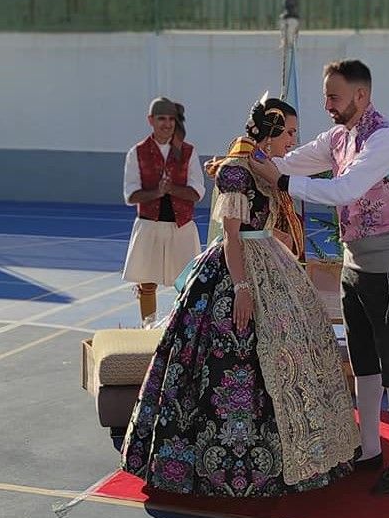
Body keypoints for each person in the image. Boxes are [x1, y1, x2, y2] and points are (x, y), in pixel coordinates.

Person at [120, 96, 359, 497]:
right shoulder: (235, 171)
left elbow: (260, 224)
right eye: (289, 133)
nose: (292, 141)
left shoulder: (267, 168)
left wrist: (277, 239)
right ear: (269, 130)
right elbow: (232, 237)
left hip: (269, 259)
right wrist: (243, 290)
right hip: (236, 269)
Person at [249, 59, 389, 494]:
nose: (327, 104)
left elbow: (343, 191)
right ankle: (369, 446)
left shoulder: (385, 140)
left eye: (334, 97)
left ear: (361, 96)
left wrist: (283, 182)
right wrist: (247, 156)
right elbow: (293, 161)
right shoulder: (340, 136)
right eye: (327, 95)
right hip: (354, 260)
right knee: (362, 357)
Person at [122, 97, 205, 324]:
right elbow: (130, 195)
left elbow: (198, 191)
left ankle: (183, 332)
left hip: (182, 227)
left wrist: (173, 189)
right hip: (149, 225)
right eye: (161, 119)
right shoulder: (137, 153)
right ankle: (148, 328)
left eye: (171, 119)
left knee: (187, 283)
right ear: (151, 120)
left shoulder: (188, 152)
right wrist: (157, 192)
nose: (167, 124)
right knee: (147, 284)